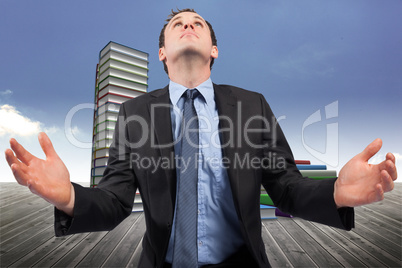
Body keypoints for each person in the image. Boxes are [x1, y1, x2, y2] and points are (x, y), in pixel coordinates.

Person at [5, 8, 397, 268]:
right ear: (162, 53)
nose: (187, 24)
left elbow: (286, 188)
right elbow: (115, 200)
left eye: (198, 22)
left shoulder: (253, 104)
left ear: (214, 49)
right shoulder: (134, 114)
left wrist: (335, 193)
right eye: (178, 24)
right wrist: (70, 197)